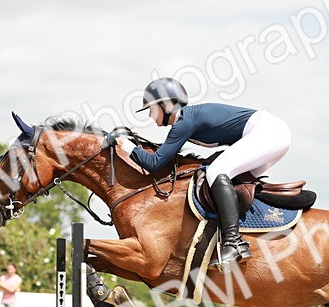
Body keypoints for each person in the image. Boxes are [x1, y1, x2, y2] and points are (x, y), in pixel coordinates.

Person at [114, 77, 291, 268]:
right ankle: (241, 237)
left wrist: (123, 143)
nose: (150, 115)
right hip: (273, 134)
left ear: (165, 105)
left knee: (216, 171)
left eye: (151, 108)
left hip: (268, 133)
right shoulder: (186, 119)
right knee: (230, 179)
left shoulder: (184, 121)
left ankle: (234, 243)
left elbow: (154, 163)